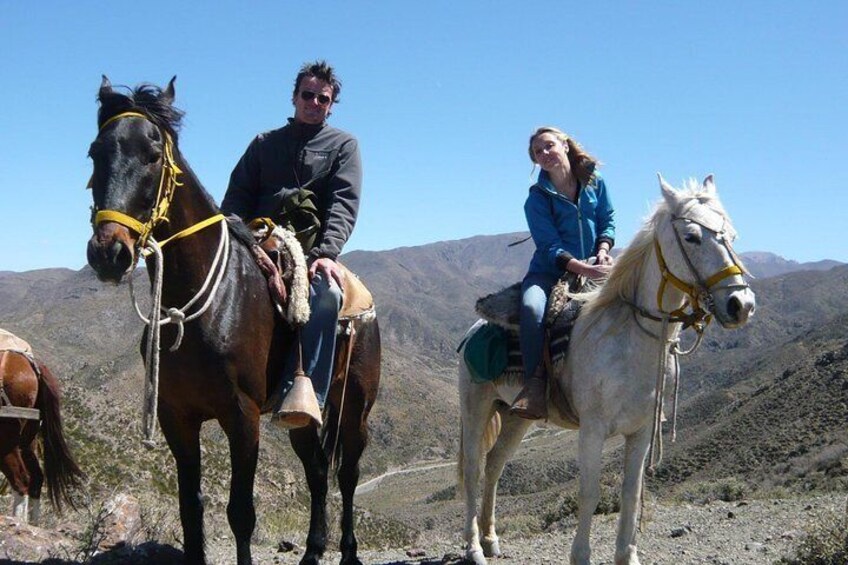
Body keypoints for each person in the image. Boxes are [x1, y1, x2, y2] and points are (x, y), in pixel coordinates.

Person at [221, 60, 362, 428]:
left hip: (310, 247)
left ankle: (307, 394)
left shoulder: (343, 145)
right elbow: (236, 197)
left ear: (331, 105)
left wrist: (326, 253)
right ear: (294, 97)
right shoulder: (264, 144)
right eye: (308, 95)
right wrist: (237, 235)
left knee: (327, 294)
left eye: (323, 98)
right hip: (256, 239)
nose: (314, 102)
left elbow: (343, 203)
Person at [510, 126, 615, 420]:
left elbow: (607, 219)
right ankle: (534, 385)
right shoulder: (537, 199)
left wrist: (604, 251)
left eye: (548, 146)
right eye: (537, 152)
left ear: (565, 145)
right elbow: (549, 246)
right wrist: (583, 268)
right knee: (532, 310)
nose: (544, 154)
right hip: (548, 273)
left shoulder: (595, 182)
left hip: (596, 264)